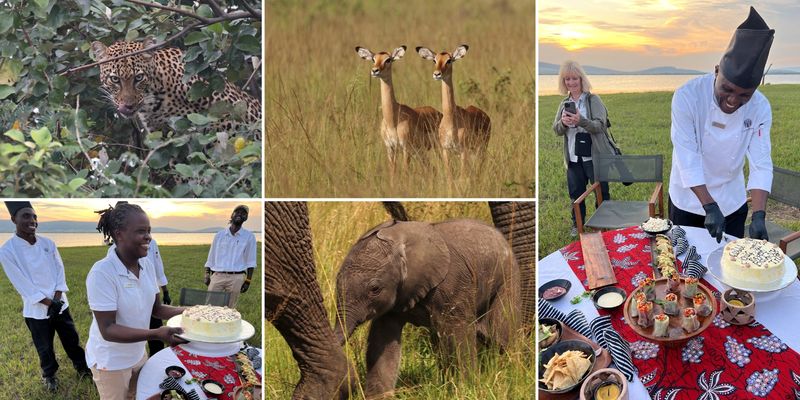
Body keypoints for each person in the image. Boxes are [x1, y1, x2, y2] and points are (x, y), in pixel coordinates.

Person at [669, 7, 774, 242]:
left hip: (730, 201)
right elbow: (687, 156)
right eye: (727, 89)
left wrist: (759, 215)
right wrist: (709, 206)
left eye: (744, 95)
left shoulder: (760, 107)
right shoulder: (688, 96)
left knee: (727, 268)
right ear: (717, 71)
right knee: (684, 266)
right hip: (688, 199)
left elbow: (761, 162)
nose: (733, 101)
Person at [85, 202, 186, 400]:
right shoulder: (102, 273)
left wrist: (188, 310)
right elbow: (108, 330)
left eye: (149, 231)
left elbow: (156, 309)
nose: (148, 236)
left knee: (140, 395)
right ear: (119, 234)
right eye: (141, 231)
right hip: (111, 362)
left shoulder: (146, 265)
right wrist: (157, 333)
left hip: (137, 354)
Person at [0, 201, 92, 392]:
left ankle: (82, 368)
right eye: (26, 216)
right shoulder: (7, 250)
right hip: (36, 309)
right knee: (44, 347)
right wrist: (48, 302)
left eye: (34, 216)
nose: (32, 220)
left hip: (60, 304)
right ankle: (49, 375)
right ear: (13, 219)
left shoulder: (48, 243)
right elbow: (21, 283)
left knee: (71, 339)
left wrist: (57, 299)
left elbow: (60, 270)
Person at [552, 60, 619, 236]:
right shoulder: (564, 103)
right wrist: (564, 123)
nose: (571, 82)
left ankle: (603, 223)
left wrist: (580, 121)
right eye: (567, 79)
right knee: (575, 194)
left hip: (594, 156)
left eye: (574, 78)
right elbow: (556, 130)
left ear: (581, 79)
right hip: (573, 158)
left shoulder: (593, 99)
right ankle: (577, 225)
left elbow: (600, 126)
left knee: (601, 192)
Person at [205, 204, 257, 308]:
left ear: (246, 218)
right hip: (217, 276)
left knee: (229, 309)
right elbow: (211, 257)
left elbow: (250, 261)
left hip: (236, 277)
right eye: (237, 212)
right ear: (232, 215)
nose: (240, 214)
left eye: (243, 213)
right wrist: (207, 273)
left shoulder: (249, 237)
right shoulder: (219, 236)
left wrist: (248, 281)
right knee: (209, 307)